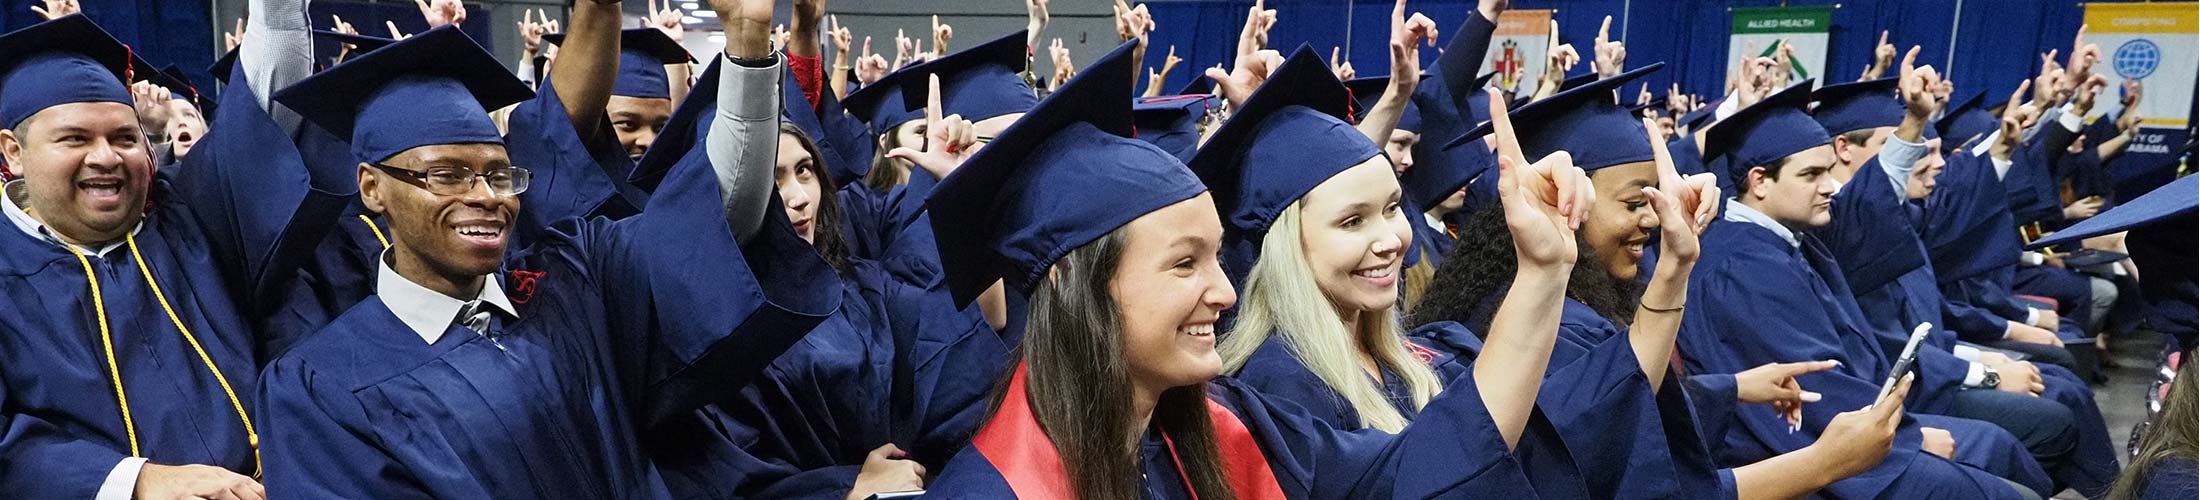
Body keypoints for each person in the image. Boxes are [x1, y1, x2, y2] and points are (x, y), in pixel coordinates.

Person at [917, 37, 1565, 500]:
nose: (1225, 290)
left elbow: (1428, 467)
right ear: (1071, 281)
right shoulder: (997, 487)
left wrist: (1542, 270)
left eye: (1215, 255)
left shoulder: (1235, 434)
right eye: (1184, 264)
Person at [255, 0, 841, 494]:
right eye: (449, 174)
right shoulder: (319, 388)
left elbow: (710, 222)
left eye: (499, 173)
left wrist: (746, 45)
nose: (486, 195)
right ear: (372, 188)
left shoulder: (574, 282)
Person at [0, 7, 345, 498]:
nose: (105, 156)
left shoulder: (193, 220)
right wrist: (138, 482)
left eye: (123, 137)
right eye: (74, 138)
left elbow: (266, 110)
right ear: (13, 152)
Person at [1682, 80, 2054, 500]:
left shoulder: (1780, 241)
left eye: (1827, 171)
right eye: (1811, 174)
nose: (1829, 186)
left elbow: (1870, 206)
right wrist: (1906, 437)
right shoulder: (1744, 266)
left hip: (1851, 421)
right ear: (1760, 181)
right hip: (1805, 454)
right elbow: (1810, 380)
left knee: (2002, 455)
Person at [1810, 72, 2122, 496]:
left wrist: (2030, 129)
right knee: (2051, 410)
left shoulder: (1893, 214)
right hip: (1906, 386)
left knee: (2060, 384)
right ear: (1843, 149)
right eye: (1902, 147)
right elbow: (1889, 345)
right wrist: (1987, 371)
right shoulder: (1840, 224)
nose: (1926, 161)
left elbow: (1962, 193)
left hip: (1932, 364)